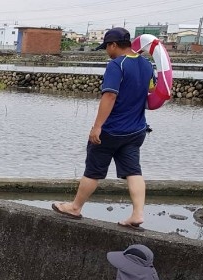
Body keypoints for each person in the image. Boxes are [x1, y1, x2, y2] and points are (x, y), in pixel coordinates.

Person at [52, 27, 154, 229]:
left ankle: (75, 207)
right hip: (136, 130)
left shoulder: (117, 65)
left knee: (93, 171)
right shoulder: (147, 64)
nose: (107, 51)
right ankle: (137, 214)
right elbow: (152, 93)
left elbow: (110, 95)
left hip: (112, 129)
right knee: (134, 171)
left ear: (113, 45)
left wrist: (97, 127)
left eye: (107, 47)